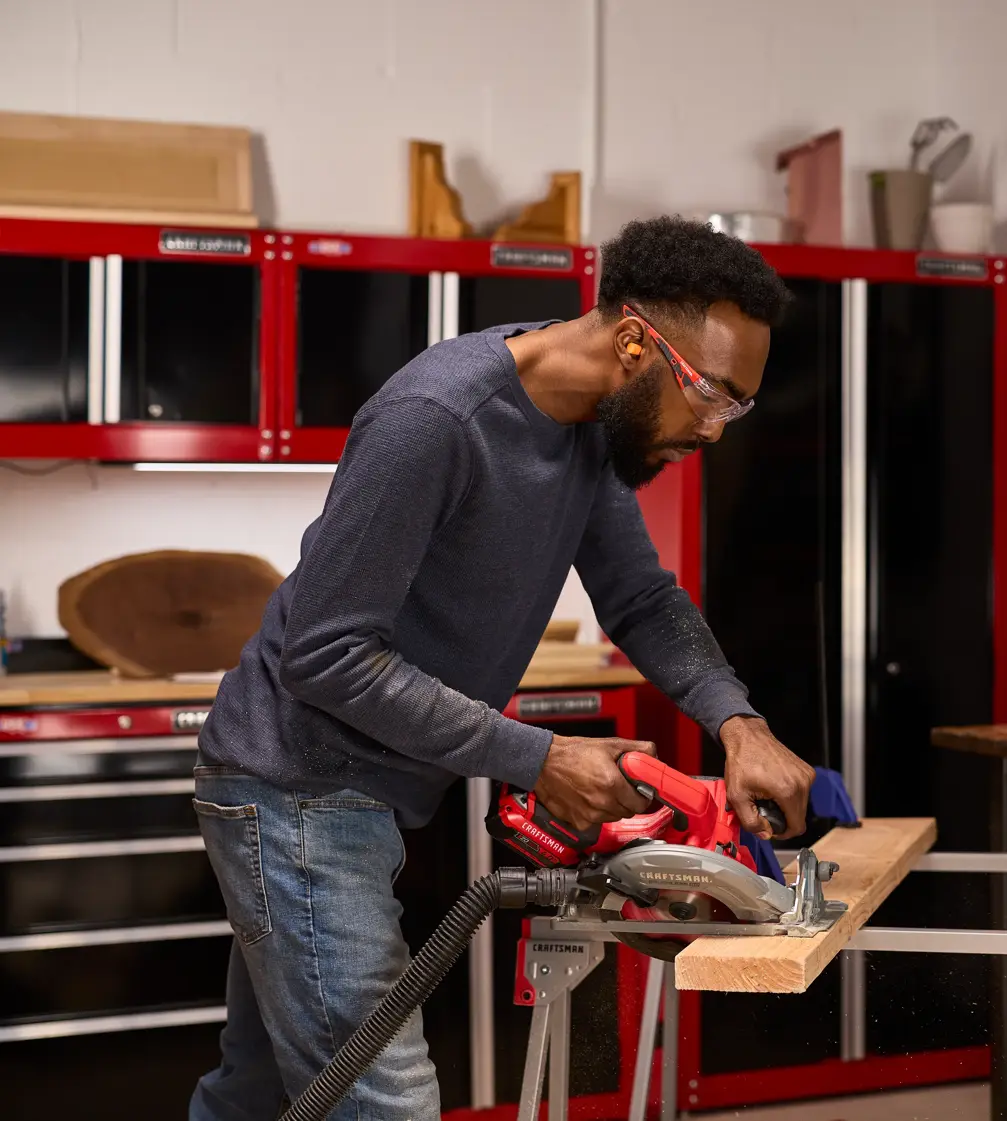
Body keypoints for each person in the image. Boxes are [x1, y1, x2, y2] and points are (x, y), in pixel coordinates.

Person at [188, 216, 815, 1120]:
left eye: (736, 407)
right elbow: (324, 655)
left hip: (352, 795)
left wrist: (738, 722)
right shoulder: (436, 420)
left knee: (263, 1090)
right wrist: (540, 756)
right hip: (295, 791)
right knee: (382, 1097)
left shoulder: (592, 430)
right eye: (713, 397)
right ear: (637, 343)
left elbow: (640, 597)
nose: (715, 430)